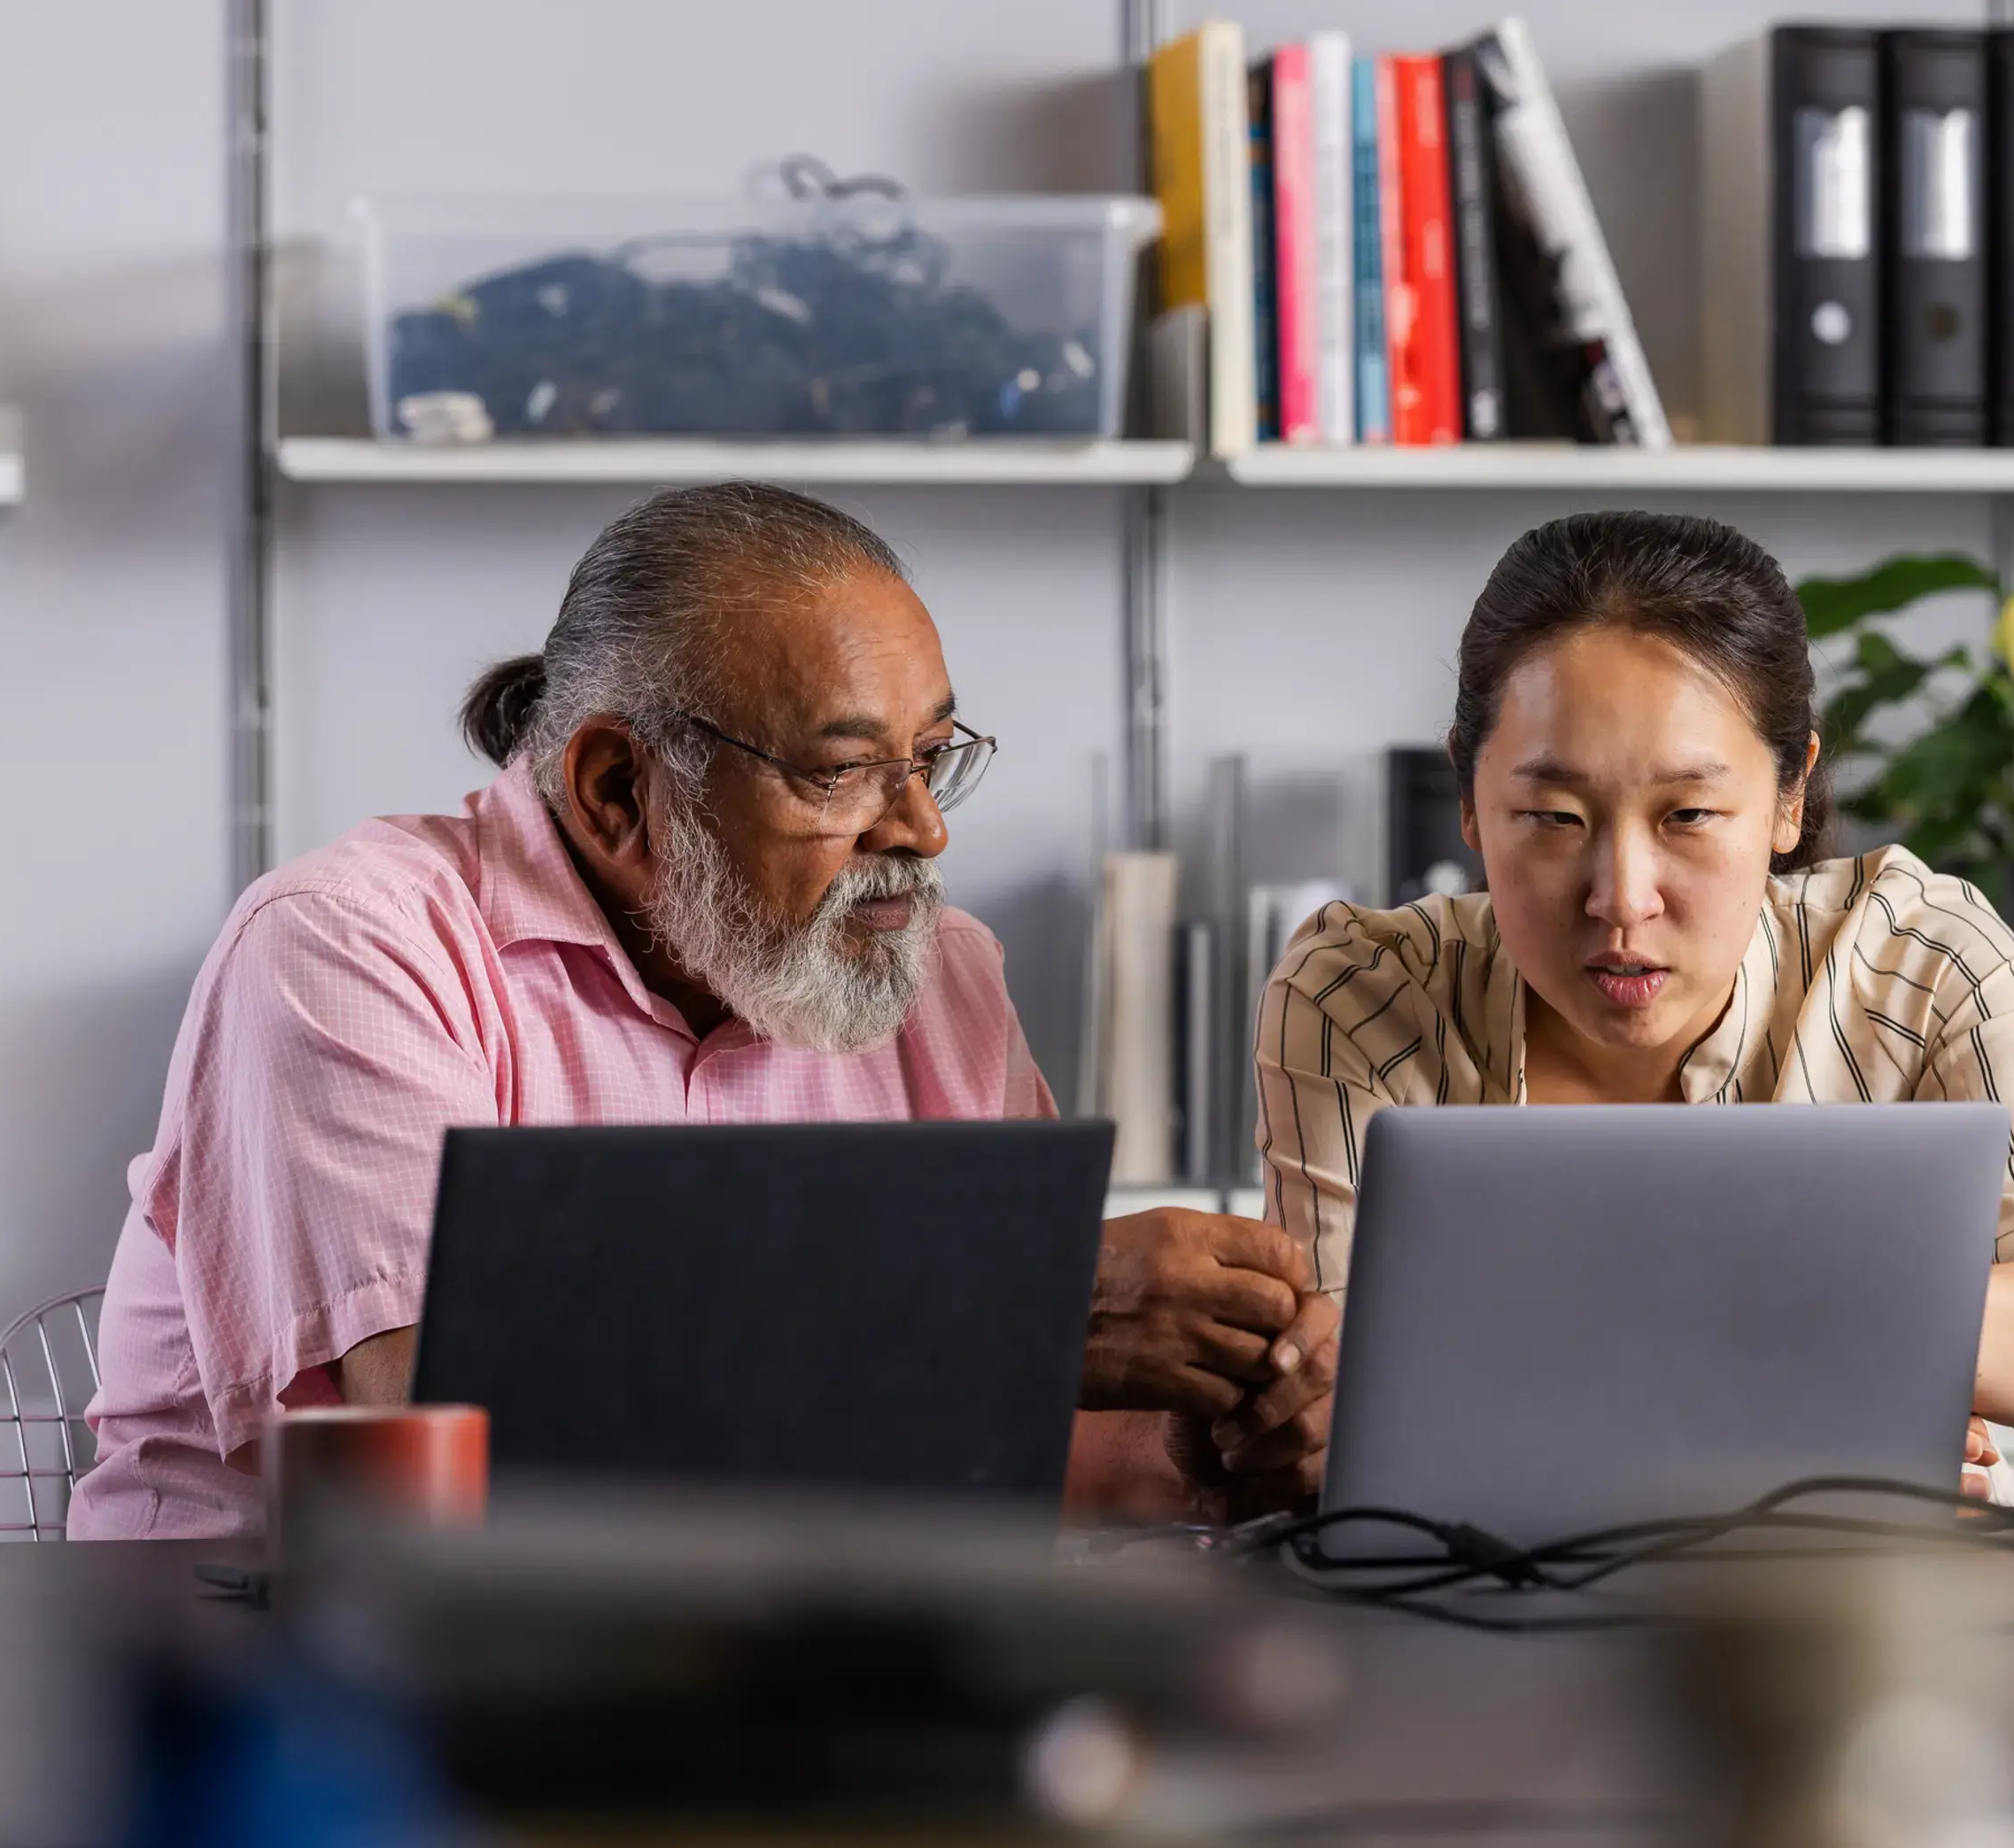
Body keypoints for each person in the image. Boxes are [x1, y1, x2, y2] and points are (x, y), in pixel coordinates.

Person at [74, 482, 1321, 1537]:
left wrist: (1210, 1454)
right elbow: (449, 1427)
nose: (921, 829)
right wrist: (1023, 1307)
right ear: (617, 786)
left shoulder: (940, 975)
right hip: (282, 1684)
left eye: (931, 758)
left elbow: (1026, 1453)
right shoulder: (347, 944)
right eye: (843, 770)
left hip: (738, 1656)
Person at [1230, 510, 2014, 1496]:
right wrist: (1816, 1407)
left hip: (1878, 1581)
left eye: (1690, 814)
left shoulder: (1921, 962)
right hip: (1469, 1583)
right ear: (1466, 797)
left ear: (1789, 797)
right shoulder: (1361, 995)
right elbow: (1333, 1420)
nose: (1622, 898)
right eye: (1552, 817)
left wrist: (1691, 1348)